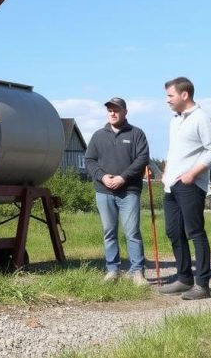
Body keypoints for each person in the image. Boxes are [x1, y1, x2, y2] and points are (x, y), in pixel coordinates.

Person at [159, 76, 211, 300]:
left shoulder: (202, 118)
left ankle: (202, 285)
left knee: (195, 232)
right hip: (171, 185)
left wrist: (192, 173)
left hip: (190, 185)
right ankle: (184, 279)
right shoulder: (175, 121)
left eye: (170, 95)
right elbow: (174, 151)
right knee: (173, 231)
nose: (167, 100)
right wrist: (166, 171)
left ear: (184, 95)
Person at [83, 97, 150, 285]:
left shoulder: (136, 134)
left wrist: (123, 178)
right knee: (109, 231)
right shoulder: (98, 135)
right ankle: (112, 270)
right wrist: (103, 177)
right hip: (103, 191)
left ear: (125, 112)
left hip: (129, 191)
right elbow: (89, 160)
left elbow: (142, 159)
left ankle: (137, 272)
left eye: (116, 110)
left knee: (132, 232)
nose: (112, 113)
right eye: (110, 110)